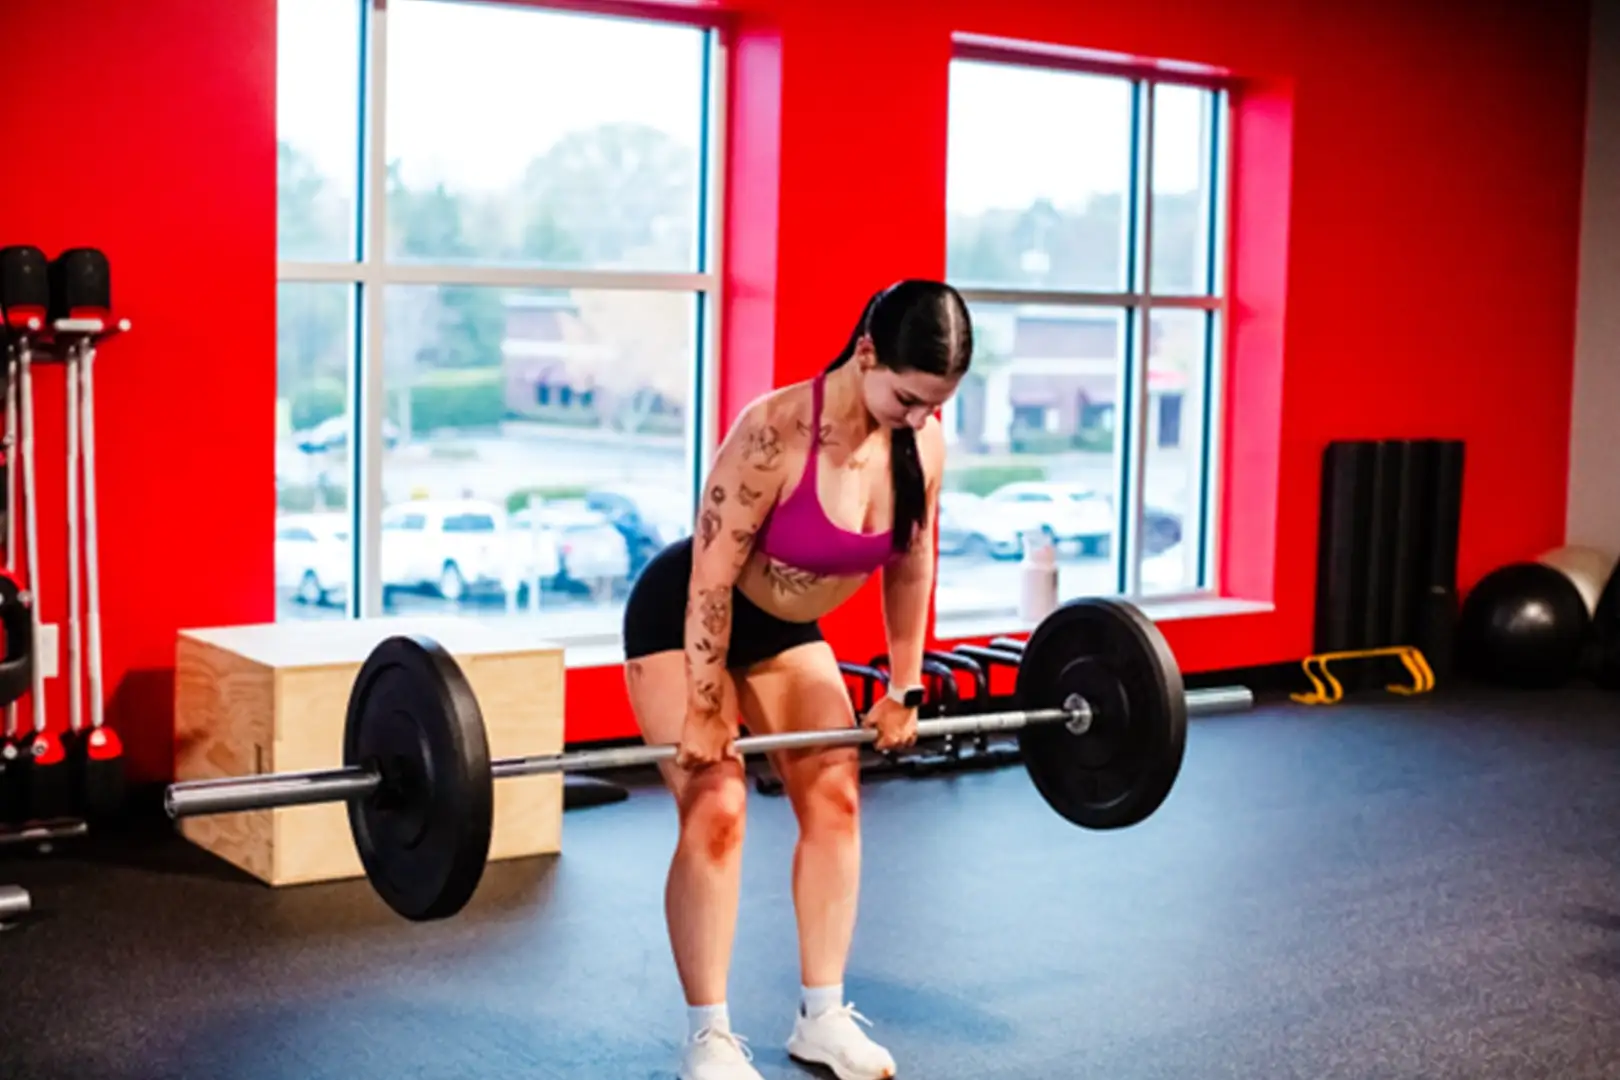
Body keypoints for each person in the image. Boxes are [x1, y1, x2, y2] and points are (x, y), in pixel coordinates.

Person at [621, 279, 974, 1080]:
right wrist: (705, 706)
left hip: (783, 632)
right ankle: (708, 1038)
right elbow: (710, 580)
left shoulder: (922, 444)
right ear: (867, 352)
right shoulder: (774, 431)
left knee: (837, 795)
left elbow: (911, 564)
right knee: (717, 805)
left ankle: (822, 1017)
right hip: (684, 615)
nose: (919, 418)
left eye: (936, 404)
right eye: (909, 398)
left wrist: (905, 688)